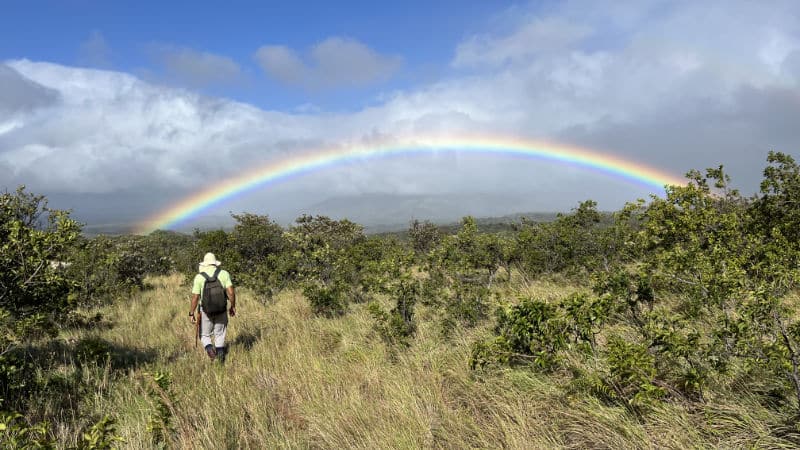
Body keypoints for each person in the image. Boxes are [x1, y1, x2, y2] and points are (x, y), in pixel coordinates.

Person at [189, 252, 236, 362]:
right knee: (220, 334)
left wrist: (191, 313)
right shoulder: (224, 274)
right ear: (215, 263)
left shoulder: (199, 277)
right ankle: (220, 358)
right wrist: (232, 306)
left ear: (205, 264)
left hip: (205, 311)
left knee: (204, 335)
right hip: (221, 309)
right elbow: (231, 292)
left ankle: (210, 351)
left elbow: (195, 297)